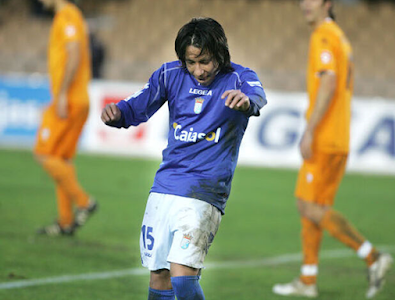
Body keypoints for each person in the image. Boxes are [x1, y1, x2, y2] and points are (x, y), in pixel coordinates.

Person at [101, 17, 267, 300]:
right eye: (191, 62)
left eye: (204, 61)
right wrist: (117, 114)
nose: (198, 70)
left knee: (183, 278)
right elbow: (135, 107)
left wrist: (247, 102)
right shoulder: (169, 75)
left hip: (204, 190)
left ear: (220, 52)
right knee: (159, 275)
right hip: (165, 186)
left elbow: (257, 96)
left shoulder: (240, 77)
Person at [272, 0, 393, 298]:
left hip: (326, 137)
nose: (304, 4)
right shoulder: (338, 36)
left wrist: (310, 131)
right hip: (337, 137)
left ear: (328, 3)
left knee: (311, 207)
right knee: (308, 206)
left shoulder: (324, 36)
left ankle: (373, 257)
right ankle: (308, 280)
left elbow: (328, 81)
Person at [34, 0, 97, 236]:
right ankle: (66, 222)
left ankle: (84, 202)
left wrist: (60, 95)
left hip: (69, 98)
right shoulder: (74, 15)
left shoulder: (67, 15)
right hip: (77, 98)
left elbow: (73, 52)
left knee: (43, 154)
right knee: (61, 159)